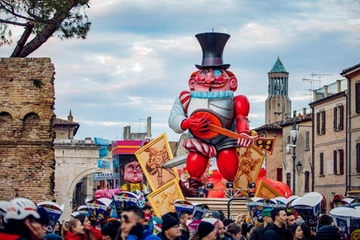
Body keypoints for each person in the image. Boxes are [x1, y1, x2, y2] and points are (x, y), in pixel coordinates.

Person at [168, 32, 255, 197]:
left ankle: (229, 190)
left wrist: (243, 133)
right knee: (195, 163)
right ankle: (193, 190)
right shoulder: (185, 98)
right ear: (192, 82)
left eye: (216, 73)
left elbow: (241, 118)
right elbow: (174, 118)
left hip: (225, 140)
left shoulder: (236, 100)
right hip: (199, 140)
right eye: (204, 72)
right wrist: (187, 123)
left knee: (229, 165)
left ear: (232, 82)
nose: (209, 79)